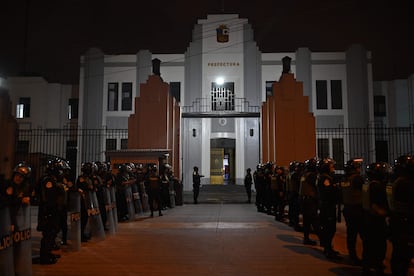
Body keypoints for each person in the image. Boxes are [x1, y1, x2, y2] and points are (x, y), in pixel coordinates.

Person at [362, 162, 390, 275]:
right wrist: (385, 214)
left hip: (366, 217)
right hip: (375, 219)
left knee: (368, 244)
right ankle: (377, 266)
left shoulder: (367, 183)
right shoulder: (377, 186)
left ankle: (367, 266)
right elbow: (376, 204)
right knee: (378, 244)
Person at [389, 155, 414, 275]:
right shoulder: (404, 182)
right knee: (402, 252)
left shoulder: (397, 179)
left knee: (399, 250)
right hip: (404, 220)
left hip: (398, 219)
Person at [317, 157, 341, 260]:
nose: (333, 167)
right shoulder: (325, 178)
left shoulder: (324, 177)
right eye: (331, 166)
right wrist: (336, 188)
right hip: (327, 206)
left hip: (326, 206)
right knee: (329, 229)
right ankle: (328, 250)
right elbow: (328, 192)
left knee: (329, 228)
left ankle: (328, 248)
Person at [342, 158, 364, 266]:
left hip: (348, 208)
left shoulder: (345, 179)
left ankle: (352, 255)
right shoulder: (357, 179)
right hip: (357, 209)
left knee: (351, 234)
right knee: (364, 235)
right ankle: (366, 259)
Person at [300, 158, 320, 246]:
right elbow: (317, 187)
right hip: (310, 200)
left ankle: (306, 238)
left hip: (304, 199)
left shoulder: (304, 174)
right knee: (314, 220)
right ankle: (323, 240)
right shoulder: (312, 175)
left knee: (306, 221)